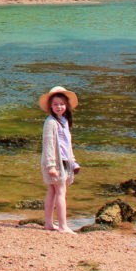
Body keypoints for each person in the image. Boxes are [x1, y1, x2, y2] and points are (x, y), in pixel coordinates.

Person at [39, 84, 80, 233]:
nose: (59, 107)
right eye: (56, 104)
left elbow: (67, 144)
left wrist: (73, 161)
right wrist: (50, 166)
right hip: (55, 162)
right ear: (50, 106)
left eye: (62, 104)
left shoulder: (64, 121)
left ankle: (49, 223)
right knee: (60, 192)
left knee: (52, 191)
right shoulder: (50, 123)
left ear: (67, 106)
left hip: (63, 161)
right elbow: (48, 145)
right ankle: (62, 225)